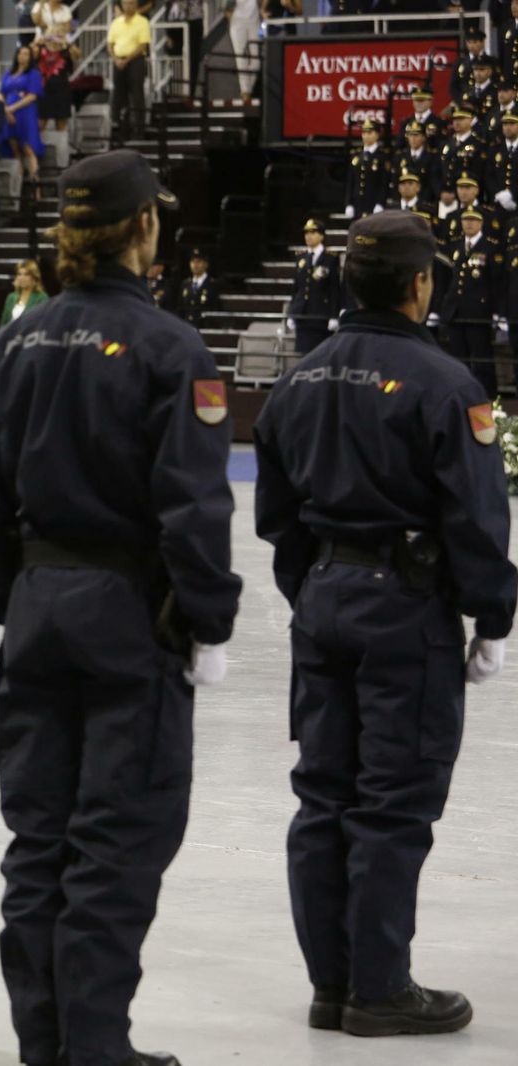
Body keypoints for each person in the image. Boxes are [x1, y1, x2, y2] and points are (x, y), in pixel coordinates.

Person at [0, 150, 241, 1066]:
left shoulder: (12, 344)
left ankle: (52, 1047)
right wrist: (205, 620)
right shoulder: (169, 348)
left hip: (37, 613)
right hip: (129, 623)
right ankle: (97, 1051)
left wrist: (29, 594)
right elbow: (194, 508)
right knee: (115, 849)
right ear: (144, 229)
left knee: (39, 847)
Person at [253, 209, 516, 1038]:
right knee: (394, 800)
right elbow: (477, 516)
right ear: (420, 284)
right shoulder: (446, 384)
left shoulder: (301, 378)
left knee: (323, 794)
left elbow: (276, 515)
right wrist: (494, 618)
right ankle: (379, 988)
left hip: (325, 598)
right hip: (406, 609)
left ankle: (332, 984)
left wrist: (315, 585)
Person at [435, 206, 504, 398]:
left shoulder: (490, 247)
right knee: (458, 358)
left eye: (473, 220)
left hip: (478, 311)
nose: (469, 223)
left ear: (481, 223)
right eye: (466, 220)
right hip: (455, 311)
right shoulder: (455, 246)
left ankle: (487, 396)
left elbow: (496, 281)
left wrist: (498, 310)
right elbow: (447, 277)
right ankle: (460, 395)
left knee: (481, 358)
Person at [288, 218, 341, 354]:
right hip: (302, 313)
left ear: (322, 235)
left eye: (313, 232)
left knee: (320, 354)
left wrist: (334, 315)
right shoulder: (301, 258)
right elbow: (297, 287)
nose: (308, 236)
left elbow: (334, 289)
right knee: (303, 355)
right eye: (306, 233)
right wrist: (291, 312)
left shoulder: (330, 258)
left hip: (320, 314)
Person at [1, 45, 44, 192]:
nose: (23, 56)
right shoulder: (8, 73)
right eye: (20, 53)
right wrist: (5, 109)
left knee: (28, 149)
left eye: (26, 54)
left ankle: (35, 186)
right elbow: (1, 92)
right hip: (8, 113)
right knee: (15, 150)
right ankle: (19, 185)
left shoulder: (34, 74)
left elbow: (32, 96)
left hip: (25, 113)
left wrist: (12, 109)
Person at [108, 0, 150, 144]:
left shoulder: (142, 21)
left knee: (137, 95)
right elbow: (110, 44)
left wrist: (127, 60)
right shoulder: (116, 22)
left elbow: (142, 45)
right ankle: (120, 130)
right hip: (118, 61)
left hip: (135, 61)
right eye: (126, 3)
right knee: (119, 95)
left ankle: (139, 130)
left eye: (132, 3)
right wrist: (116, 59)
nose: (128, 6)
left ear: (137, 4)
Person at [174, 247, 216, 329]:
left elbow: (214, 308)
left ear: (206, 264)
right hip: (186, 326)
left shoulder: (212, 284)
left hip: (204, 326)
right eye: (192, 261)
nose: (195, 265)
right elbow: (180, 307)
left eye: (199, 261)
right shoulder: (185, 284)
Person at [0, 258, 49, 327]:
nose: (22, 278)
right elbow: (3, 324)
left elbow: (43, 323)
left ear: (34, 277)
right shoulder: (11, 297)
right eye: (19, 274)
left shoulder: (42, 298)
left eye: (26, 274)